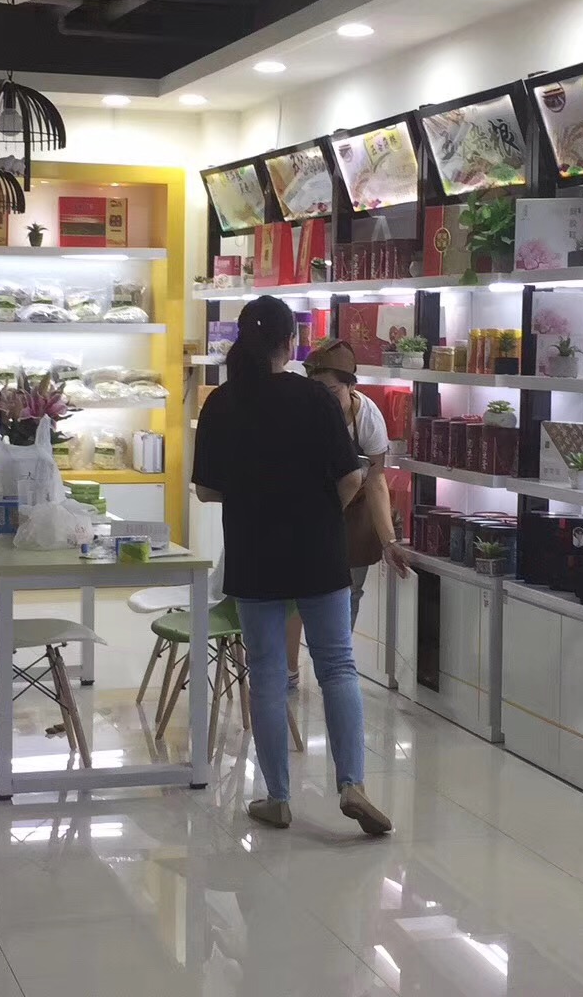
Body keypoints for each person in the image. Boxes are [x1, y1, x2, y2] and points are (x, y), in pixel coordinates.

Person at [192, 295, 391, 835]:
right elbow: (352, 477)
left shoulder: (222, 403)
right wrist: (319, 511)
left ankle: (277, 797)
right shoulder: (316, 398)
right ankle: (352, 784)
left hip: (253, 552)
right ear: (292, 342)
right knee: (337, 666)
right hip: (318, 550)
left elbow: (207, 490)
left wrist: (254, 495)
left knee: (266, 673)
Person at [284, 339, 411, 687]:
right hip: (307, 509)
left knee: (349, 590)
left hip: (353, 513)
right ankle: (289, 670)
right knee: (295, 592)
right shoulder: (300, 413)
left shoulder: (367, 417)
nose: (323, 398)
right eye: (316, 390)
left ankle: (335, 668)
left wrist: (389, 541)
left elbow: (377, 480)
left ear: (352, 385)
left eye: (332, 390)